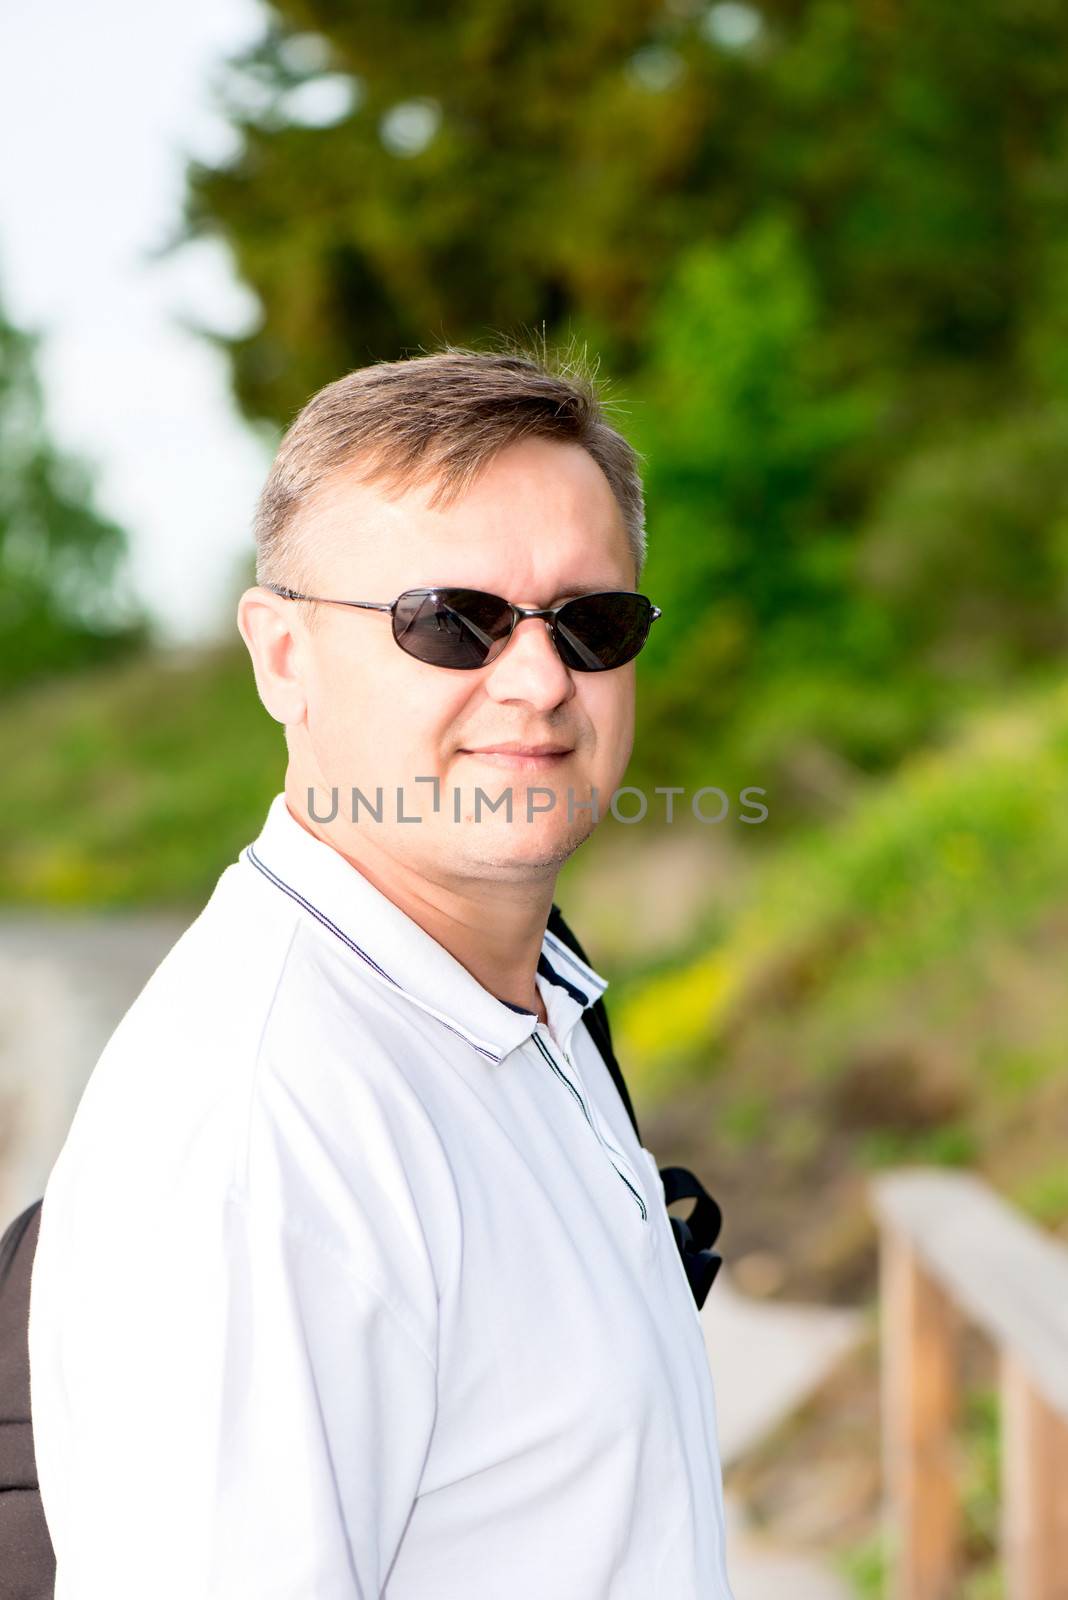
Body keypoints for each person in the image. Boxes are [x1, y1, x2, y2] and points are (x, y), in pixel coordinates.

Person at [27, 346, 735, 1598]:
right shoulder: (267, 1129)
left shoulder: (523, 1005)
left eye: (593, 622)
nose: (538, 679)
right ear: (282, 655)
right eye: (449, 621)